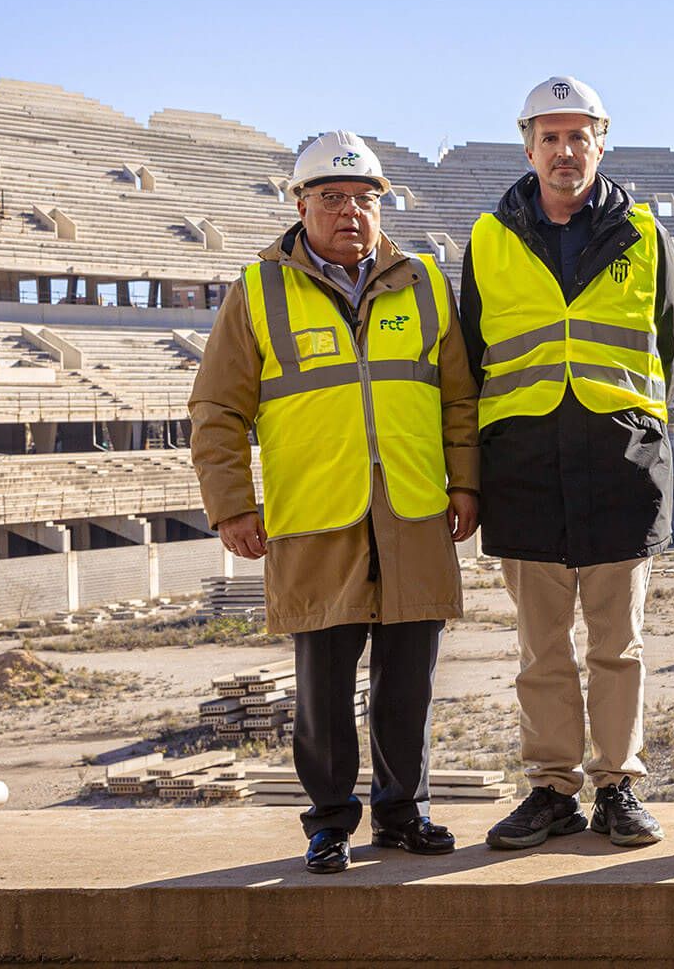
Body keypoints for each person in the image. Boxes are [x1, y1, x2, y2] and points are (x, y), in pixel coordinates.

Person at [189, 131, 478, 873]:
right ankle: (328, 822)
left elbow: (458, 399)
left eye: (364, 198)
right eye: (332, 197)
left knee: (407, 682)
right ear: (300, 205)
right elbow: (217, 408)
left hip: (412, 510)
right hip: (316, 514)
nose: (350, 211)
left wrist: (466, 484)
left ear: (382, 204)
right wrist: (231, 505)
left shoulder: (424, 282)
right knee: (323, 686)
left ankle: (403, 813)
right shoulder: (259, 290)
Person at [460, 77, 674, 850]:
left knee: (619, 645)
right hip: (523, 470)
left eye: (578, 136)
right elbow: (470, 363)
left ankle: (619, 785)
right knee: (541, 650)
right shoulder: (488, 238)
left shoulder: (647, 236)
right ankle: (552, 790)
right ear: (528, 146)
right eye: (549, 137)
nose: (564, 150)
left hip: (623, 467)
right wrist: (469, 477)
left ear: (600, 143)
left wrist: (672, 463)